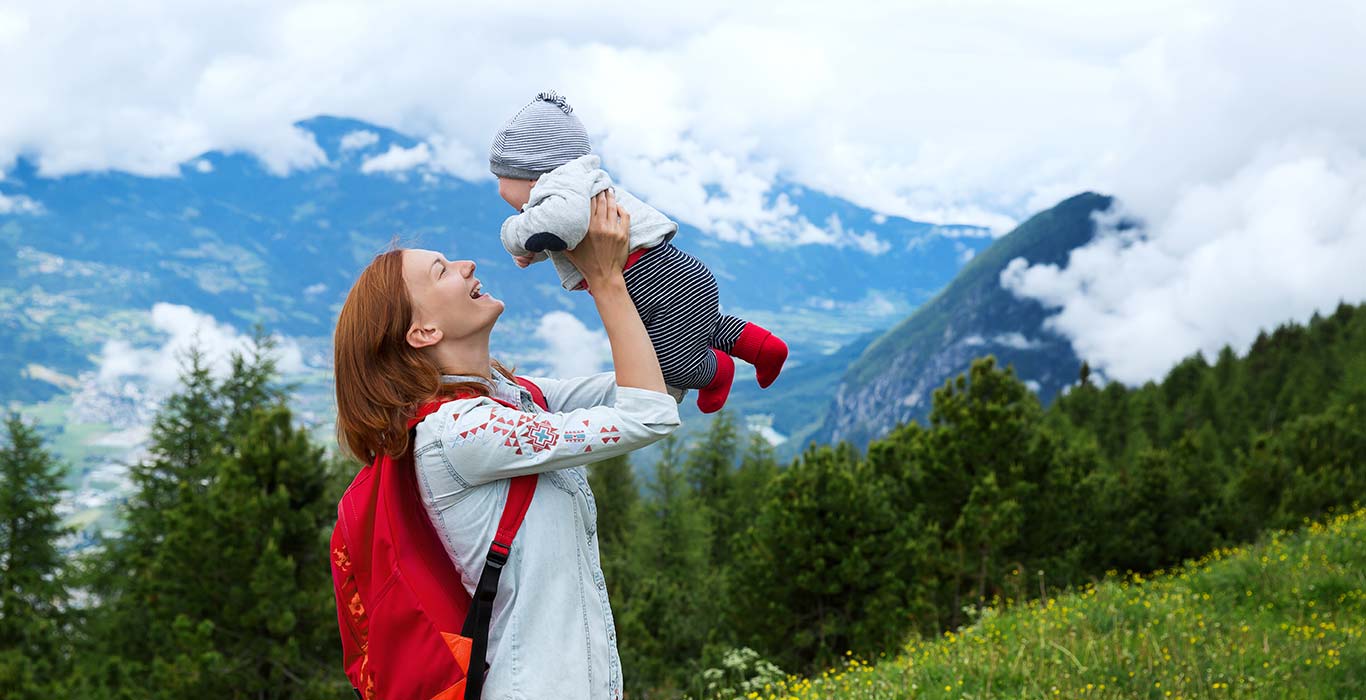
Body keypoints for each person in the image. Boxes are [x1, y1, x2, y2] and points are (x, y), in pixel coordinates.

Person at [332, 191, 678, 699]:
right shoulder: (463, 434)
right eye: (442, 271)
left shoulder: (517, 399)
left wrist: (631, 258)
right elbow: (648, 416)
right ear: (423, 330)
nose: (468, 264)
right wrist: (604, 281)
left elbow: (663, 382)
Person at [490, 90, 789, 414]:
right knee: (702, 325)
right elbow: (564, 232)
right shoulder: (576, 185)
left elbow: (561, 223)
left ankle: (716, 370)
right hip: (673, 275)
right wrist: (535, 252)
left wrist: (514, 234)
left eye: (505, 184)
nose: (524, 211)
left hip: (658, 284)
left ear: (532, 175)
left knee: (673, 368)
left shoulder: (559, 186)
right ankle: (763, 348)